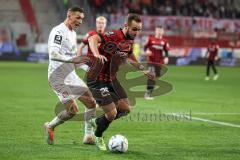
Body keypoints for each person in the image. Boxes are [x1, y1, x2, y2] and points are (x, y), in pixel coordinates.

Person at [87, 13, 155, 150]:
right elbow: (92, 38)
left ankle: (98, 122)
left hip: (112, 79)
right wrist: (96, 53)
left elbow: (130, 55)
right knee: (111, 113)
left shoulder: (130, 40)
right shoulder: (113, 35)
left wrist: (143, 69)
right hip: (97, 78)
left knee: (125, 109)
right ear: (126, 26)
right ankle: (98, 136)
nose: (136, 32)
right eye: (134, 29)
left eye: (139, 30)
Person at [44, 6, 96, 145]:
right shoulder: (58, 31)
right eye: (77, 18)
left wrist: (88, 69)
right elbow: (53, 55)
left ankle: (88, 136)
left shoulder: (72, 33)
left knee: (91, 103)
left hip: (70, 75)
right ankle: (50, 126)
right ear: (69, 16)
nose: (80, 21)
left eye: (82, 19)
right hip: (58, 78)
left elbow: (73, 58)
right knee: (72, 111)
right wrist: (72, 60)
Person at [76, 16, 107, 142]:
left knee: (100, 101)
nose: (100, 24)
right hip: (91, 70)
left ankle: (91, 130)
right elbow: (81, 46)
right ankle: (88, 134)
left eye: (102, 23)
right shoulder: (90, 34)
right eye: (98, 22)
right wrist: (78, 58)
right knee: (92, 101)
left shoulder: (107, 37)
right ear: (96, 23)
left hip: (103, 71)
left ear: (105, 24)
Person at [143, 25, 169, 100]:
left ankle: (149, 93)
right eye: (158, 30)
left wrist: (166, 57)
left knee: (155, 77)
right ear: (155, 31)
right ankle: (147, 93)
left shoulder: (165, 41)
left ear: (163, 31)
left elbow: (166, 50)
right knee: (152, 75)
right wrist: (146, 51)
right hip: (151, 61)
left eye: (160, 30)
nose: (159, 32)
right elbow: (145, 47)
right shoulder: (150, 39)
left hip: (159, 62)